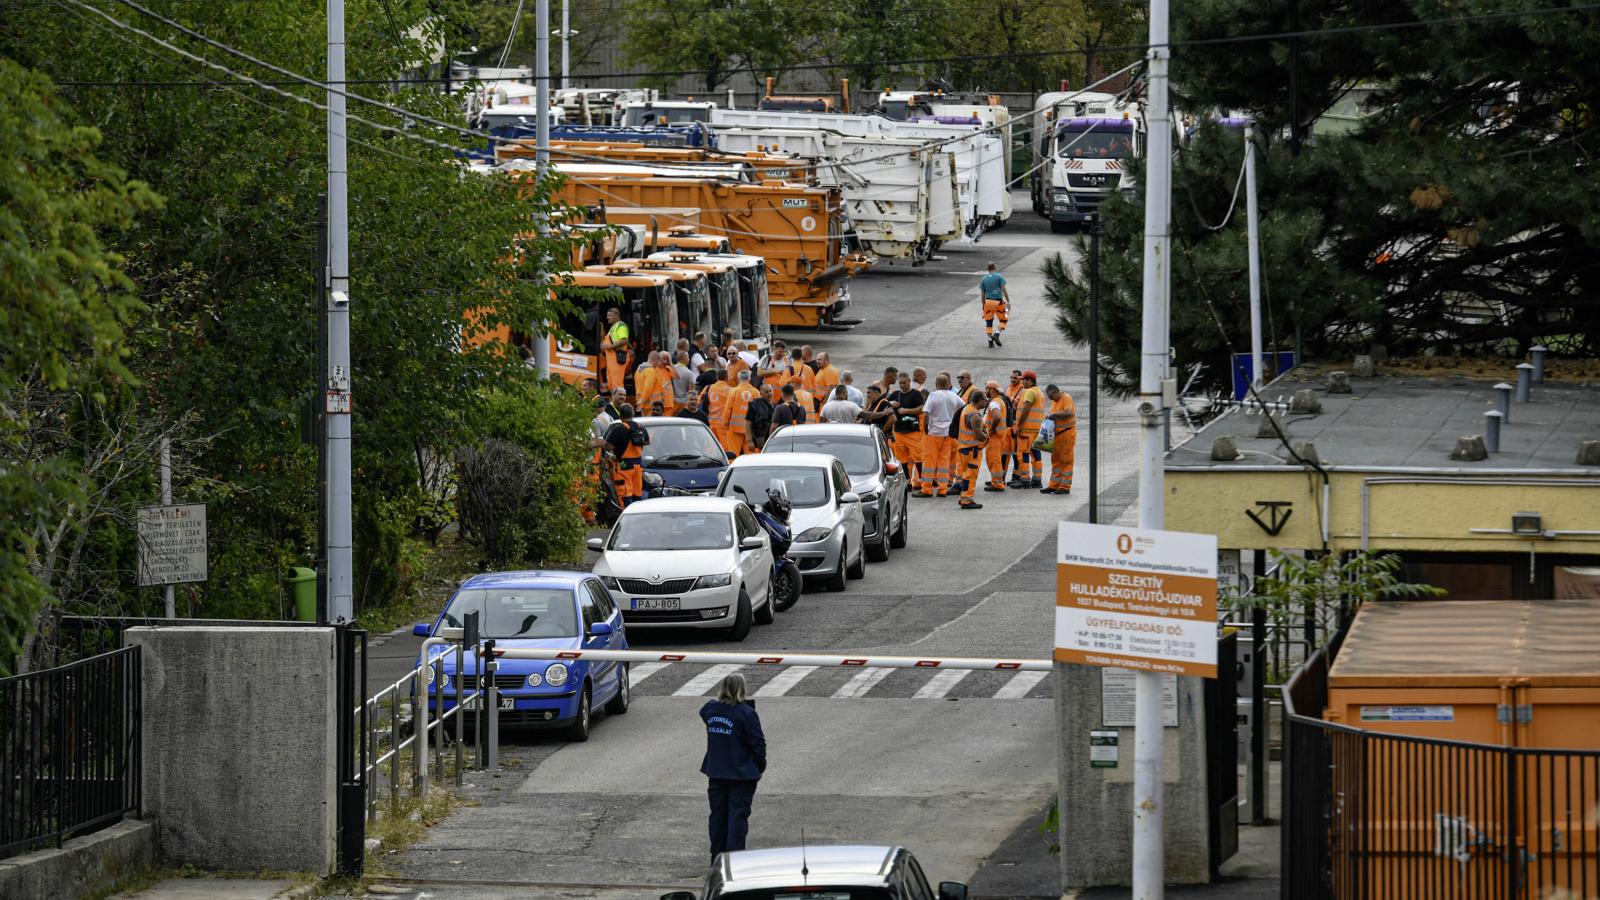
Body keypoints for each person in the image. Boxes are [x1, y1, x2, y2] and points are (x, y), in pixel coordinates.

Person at [700, 673, 765, 862]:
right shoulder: (746, 714)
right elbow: (758, 744)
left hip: (717, 772)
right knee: (737, 819)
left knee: (718, 818)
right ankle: (734, 861)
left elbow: (704, 712)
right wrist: (759, 767)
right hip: (742, 775)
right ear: (742, 689)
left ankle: (717, 859)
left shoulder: (711, 710)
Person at [919, 374, 964, 498]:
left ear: (936, 384)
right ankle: (942, 489)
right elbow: (963, 407)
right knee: (944, 462)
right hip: (947, 433)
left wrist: (926, 429)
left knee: (929, 462)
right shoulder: (953, 395)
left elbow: (926, 413)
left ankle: (926, 489)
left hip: (933, 433)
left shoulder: (933, 395)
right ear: (948, 384)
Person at [602, 404, 649, 506]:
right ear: (632, 414)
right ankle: (637, 515)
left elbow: (607, 446)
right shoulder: (640, 427)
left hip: (624, 467)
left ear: (620, 415)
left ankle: (626, 518)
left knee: (625, 496)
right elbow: (647, 441)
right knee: (637, 495)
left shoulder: (618, 429)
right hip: (638, 466)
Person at [887, 373, 926, 492]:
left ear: (909, 381)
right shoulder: (895, 394)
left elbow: (922, 408)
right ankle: (907, 482)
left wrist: (906, 411)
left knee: (918, 458)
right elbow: (884, 404)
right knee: (902, 459)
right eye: (901, 383)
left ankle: (923, 482)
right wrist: (890, 403)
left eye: (905, 382)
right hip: (898, 432)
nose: (903, 385)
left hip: (912, 432)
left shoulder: (916, 394)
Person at [955, 389, 989, 510]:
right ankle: (967, 500)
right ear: (979, 400)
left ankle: (963, 497)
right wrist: (987, 436)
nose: (986, 402)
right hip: (971, 450)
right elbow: (979, 435)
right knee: (970, 475)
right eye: (985, 400)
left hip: (964, 448)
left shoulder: (967, 408)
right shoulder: (975, 415)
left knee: (966, 475)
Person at [1011, 371, 1046, 489]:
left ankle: (1024, 479)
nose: (1021, 382)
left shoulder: (1030, 392)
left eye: (1023, 380)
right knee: (1036, 454)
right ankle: (1037, 479)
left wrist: (1019, 426)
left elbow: (1026, 409)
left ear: (1029, 380)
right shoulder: (1039, 392)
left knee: (1023, 454)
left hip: (1026, 430)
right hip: (1036, 429)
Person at [1043, 384, 1076, 495]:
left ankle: (1065, 487)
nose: (1050, 399)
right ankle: (1054, 485)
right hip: (1057, 435)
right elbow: (1053, 415)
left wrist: (1053, 415)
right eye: (1049, 397)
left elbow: (1068, 412)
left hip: (1066, 433)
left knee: (1066, 460)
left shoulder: (1066, 397)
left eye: (1052, 396)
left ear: (1057, 392)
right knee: (1056, 461)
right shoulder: (1054, 401)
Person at [721, 370, 761, 458]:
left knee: (733, 453)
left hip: (734, 429)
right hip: (750, 429)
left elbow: (728, 409)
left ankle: (733, 470)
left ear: (738, 379)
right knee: (751, 454)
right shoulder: (756, 392)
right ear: (749, 379)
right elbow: (760, 411)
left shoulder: (734, 391)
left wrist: (725, 423)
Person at [982, 381, 1011, 493]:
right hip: (999, 435)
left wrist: (992, 428)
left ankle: (997, 483)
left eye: (987, 389)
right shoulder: (999, 401)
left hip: (995, 435)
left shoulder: (994, 403)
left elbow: (997, 416)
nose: (985, 392)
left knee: (994, 460)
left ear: (992, 389)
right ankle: (996, 480)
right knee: (995, 459)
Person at [599, 307, 632, 392]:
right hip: (611, 361)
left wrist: (607, 347)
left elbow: (624, 340)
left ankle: (619, 404)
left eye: (609, 315)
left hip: (617, 359)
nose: (607, 317)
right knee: (612, 385)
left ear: (616, 315)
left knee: (617, 385)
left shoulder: (621, 325)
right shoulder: (613, 328)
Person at [979, 261, 1010, 348]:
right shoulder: (999, 277)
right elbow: (1004, 290)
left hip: (988, 303)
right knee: (1004, 319)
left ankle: (990, 342)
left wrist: (983, 305)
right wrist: (1008, 301)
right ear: (995, 268)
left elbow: (982, 294)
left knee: (989, 323)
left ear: (987, 269)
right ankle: (997, 334)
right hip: (998, 302)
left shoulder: (983, 279)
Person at [705, 369, 734, 449]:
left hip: (711, 421)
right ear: (727, 377)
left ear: (717, 377)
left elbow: (699, 400)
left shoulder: (709, 388)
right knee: (725, 447)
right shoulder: (730, 390)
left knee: (712, 446)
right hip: (723, 423)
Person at [747, 384, 776, 451]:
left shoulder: (775, 406)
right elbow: (747, 423)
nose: (769, 393)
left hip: (771, 441)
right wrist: (749, 441)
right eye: (766, 392)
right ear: (761, 394)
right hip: (759, 442)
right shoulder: (755, 405)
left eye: (770, 391)